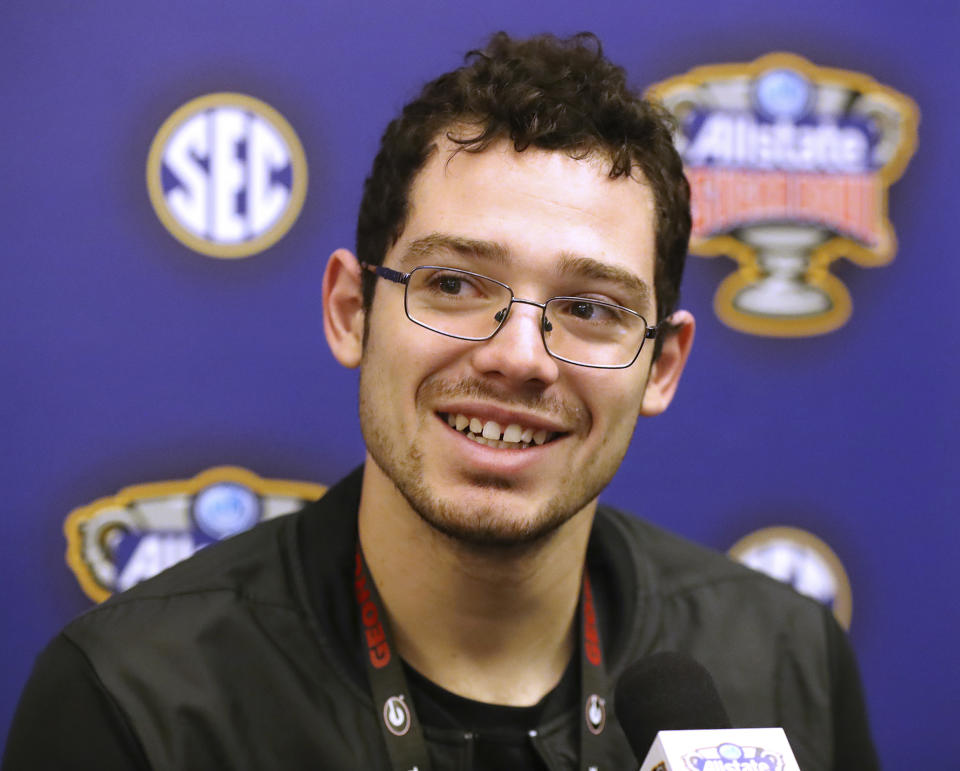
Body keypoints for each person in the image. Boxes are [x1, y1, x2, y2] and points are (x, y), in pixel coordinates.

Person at [4, 32, 878, 771]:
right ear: (352, 311)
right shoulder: (135, 703)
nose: (517, 358)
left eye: (590, 308)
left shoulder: (784, 660)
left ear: (662, 365)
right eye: (455, 282)